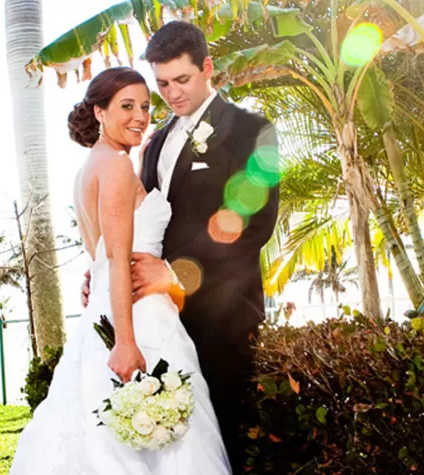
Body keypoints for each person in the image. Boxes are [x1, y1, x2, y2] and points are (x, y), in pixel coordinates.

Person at [9, 67, 231, 474]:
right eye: (126, 106)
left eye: (145, 106)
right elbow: (114, 258)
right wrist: (126, 343)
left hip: (110, 309)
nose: (140, 116)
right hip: (138, 321)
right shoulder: (114, 166)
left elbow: (100, 256)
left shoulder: (91, 166)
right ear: (99, 112)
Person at [84, 22, 279, 472]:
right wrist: (103, 271)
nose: (171, 94)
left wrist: (173, 271)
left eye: (182, 80)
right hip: (160, 322)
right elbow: (139, 221)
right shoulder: (153, 145)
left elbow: (252, 222)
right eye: (163, 83)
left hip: (223, 316)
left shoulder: (252, 129)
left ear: (207, 67)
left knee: (223, 439)